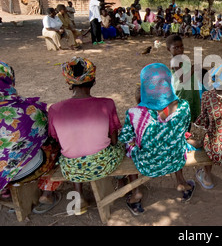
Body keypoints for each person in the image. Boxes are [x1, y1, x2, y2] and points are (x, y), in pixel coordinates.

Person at [48, 57, 125, 215]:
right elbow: (115, 139)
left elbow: (58, 141)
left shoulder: (55, 109)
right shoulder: (107, 104)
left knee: (73, 152)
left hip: (71, 169)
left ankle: (79, 196)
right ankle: (121, 180)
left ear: (69, 83)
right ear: (93, 80)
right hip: (103, 164)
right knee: (123, 141)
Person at [119, 63, 196, 214]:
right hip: (175, 159)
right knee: (174, 139)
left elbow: (126, 137)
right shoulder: (183, 106)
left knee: (130, 145)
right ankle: (181, 183)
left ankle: (136, 193)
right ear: (169, 84)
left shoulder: (134, 113)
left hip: (147, 164)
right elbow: (185, 129)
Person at [0, 61, 63, 214]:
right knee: (56, 143)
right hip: (23, 173)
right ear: (10, 80)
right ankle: (47, 193)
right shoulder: (28, 110)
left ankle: (4, 190)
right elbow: (51, 130)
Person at [167, 34, 205, 129]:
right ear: (169, 49)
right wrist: (193, 69)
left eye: (181, 46)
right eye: (176, 48)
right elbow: (182, 79)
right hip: (183, 92)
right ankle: (183, 135)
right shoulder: (175, 61)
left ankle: (186, 134)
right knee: (183, 115)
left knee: (189, 113)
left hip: (189, 90)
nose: (180, 49)